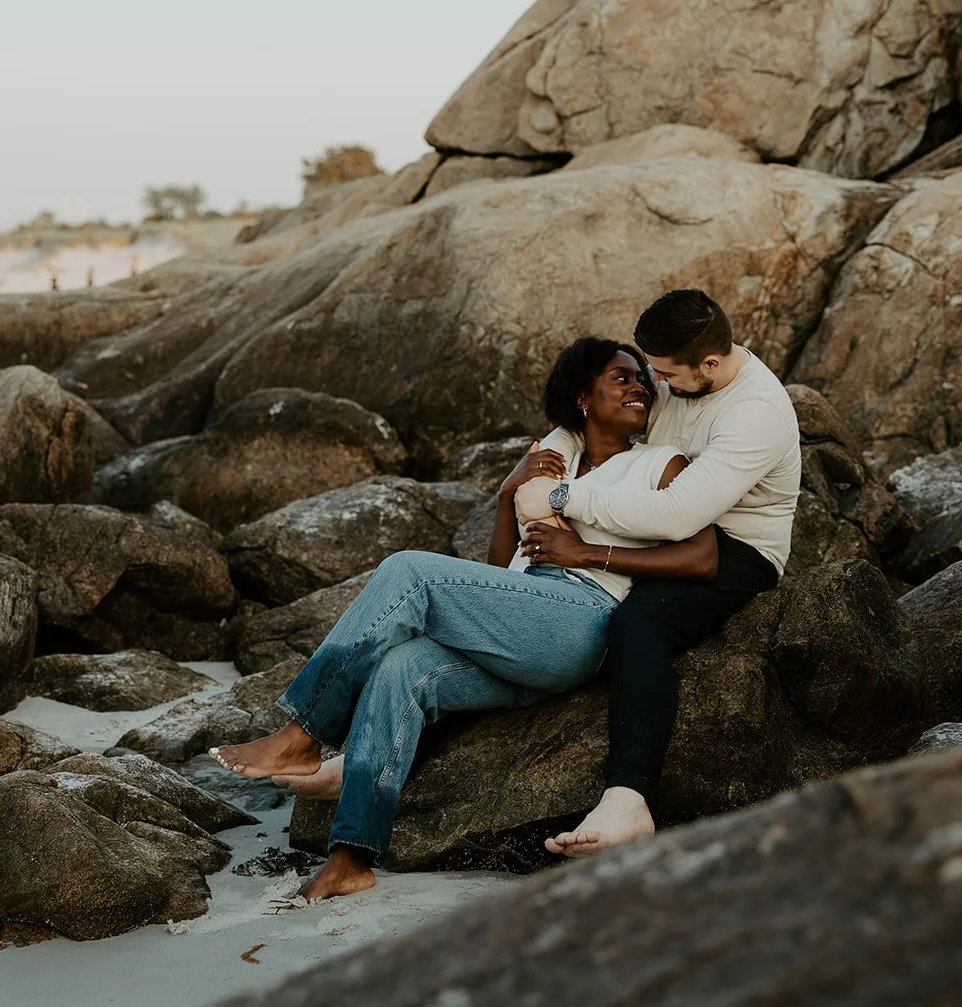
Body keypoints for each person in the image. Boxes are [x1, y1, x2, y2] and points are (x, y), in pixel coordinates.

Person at [212, 338, 721, 900]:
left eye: (642, 381)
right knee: (400, 670)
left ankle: (302, 733)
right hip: (522, 620)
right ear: (582, 397)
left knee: (410, 571)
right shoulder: (551, 466)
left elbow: (702, 556)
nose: (638, 388)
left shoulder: (659, 463)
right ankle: (351, 856)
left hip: (584, 616)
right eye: (621, 378)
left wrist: (588, 555)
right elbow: (498, 570)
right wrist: (507, 495)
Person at [538, 288, 801, 858]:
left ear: (709, 363)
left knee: (637, 628)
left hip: (736, 546)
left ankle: (628, 801)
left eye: (662, 373)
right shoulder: (681, 375)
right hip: (647, 516)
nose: (653, 384)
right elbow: (596, 414)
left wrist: (567, 497)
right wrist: (550, 451)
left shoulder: (755, 414)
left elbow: (682, 514)